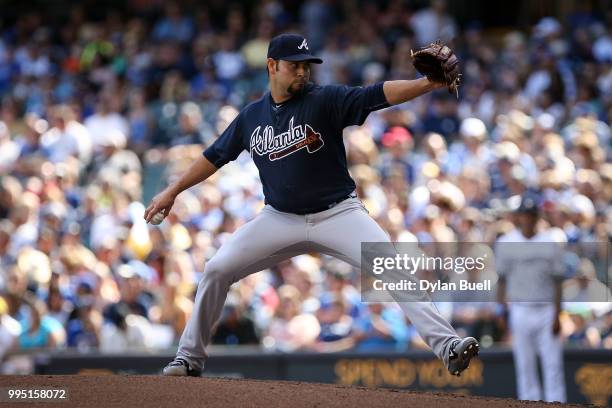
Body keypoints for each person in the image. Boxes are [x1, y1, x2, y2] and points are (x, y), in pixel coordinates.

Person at [145, 33, 478, 377]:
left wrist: (427, 83)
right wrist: (172, 190)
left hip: (339, 213)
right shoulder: (251, 117)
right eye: (294, 66)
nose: (302, 72)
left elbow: (377, 95)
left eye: (306, 66)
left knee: (393, 266)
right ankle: (188, 359)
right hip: (279, 218)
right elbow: (214, 157)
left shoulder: (324, 99)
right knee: (216, 269)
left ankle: (447, 345)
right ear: (272, 66)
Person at [496, 193, 567, 402]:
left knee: (552, 365)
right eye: (524, 214)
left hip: (546, 309)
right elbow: (502, 280)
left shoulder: (551, 240)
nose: (527, 218)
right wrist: (501, 310)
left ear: (538, 216)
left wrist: (557, 314)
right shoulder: (506, 242)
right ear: (518, 217)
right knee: (524, 365)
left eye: (531, 214)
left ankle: (556, 403)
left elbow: (557, 281)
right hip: (520, 308)